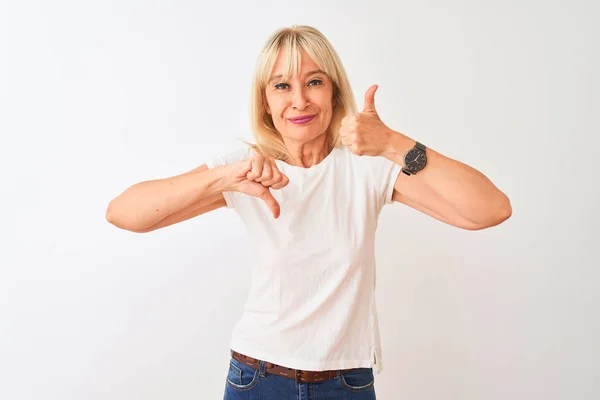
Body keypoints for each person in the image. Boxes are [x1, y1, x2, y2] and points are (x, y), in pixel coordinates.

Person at [106, 25, 512, 400]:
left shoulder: (367, 165)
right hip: (256, 378)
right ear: (265, 101)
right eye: (282, 85)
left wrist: (393, 142)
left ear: (334, 91)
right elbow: (124, 213)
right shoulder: (244, 167)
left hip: (346, 381)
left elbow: (490, 209)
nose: (299, 100)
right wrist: (224, 179)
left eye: (314, 82)